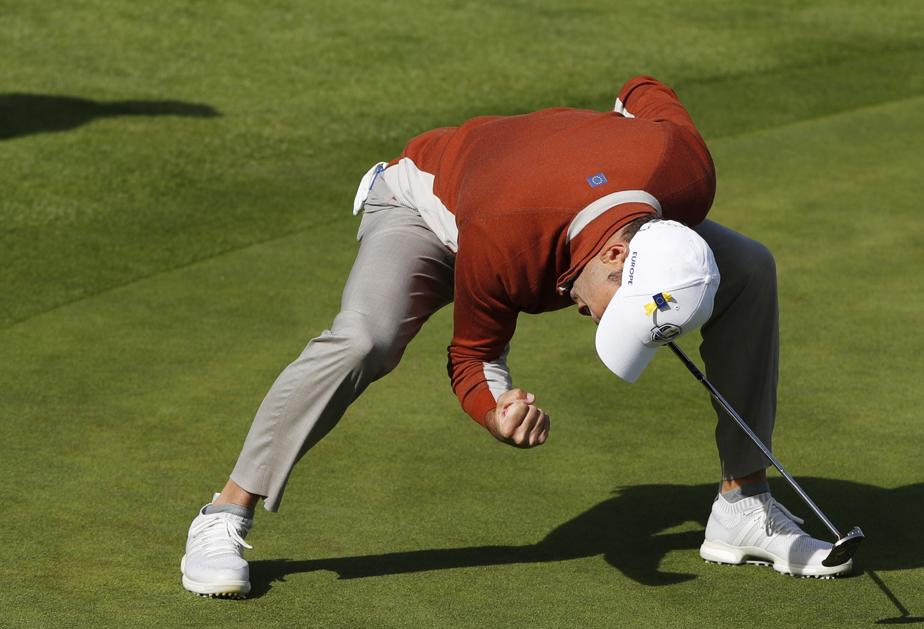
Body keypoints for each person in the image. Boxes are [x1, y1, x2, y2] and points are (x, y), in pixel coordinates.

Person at [180, 76, 852, 598]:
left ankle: (743, 502)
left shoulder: (685, 171)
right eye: (613, 313)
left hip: (564, 200)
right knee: (368, 337)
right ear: (615, 257)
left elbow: (639, 89)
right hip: (431, 202)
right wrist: (495, 409)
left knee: (751, 268)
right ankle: (224, 513)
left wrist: (603, 144)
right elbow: (471, 355)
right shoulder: (508, 237)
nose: (596, 321)